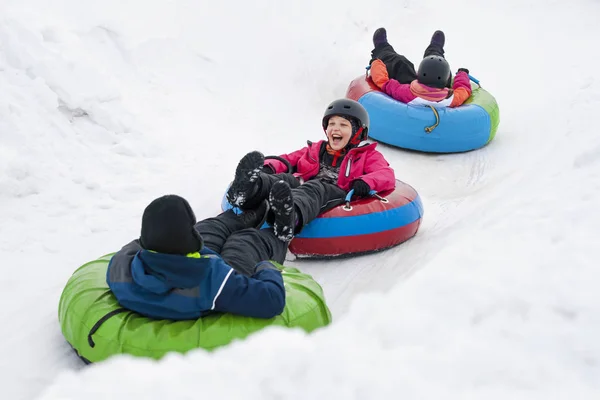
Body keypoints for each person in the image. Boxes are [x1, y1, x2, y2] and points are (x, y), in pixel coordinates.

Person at [226, 98, 396, 242]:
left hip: (333, 192)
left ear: (358, 133)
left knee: (315, 187)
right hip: (302, 186)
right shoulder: (315, 150)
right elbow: (288, 159)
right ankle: (248, 190)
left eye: (343, 125)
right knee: (285, 179)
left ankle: (288, 218)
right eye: (332, 124)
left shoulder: (366, 155)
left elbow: (386, 174)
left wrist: (365, 182)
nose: (336, 129)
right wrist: (267, 167)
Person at [106, 194, 287, 321]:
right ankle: (279, 229)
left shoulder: (120, 266)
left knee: (207, 228)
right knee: (245, 242)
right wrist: (265, 267)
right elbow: (272, 299)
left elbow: (142, 243)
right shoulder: (211, 282)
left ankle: (243, 214)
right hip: (213, 273)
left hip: (179, 261)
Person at [368, 28, 472, 108]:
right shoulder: (451, 99)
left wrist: (376, 63)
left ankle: (382, 47)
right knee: (438, 61)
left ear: (419, 76)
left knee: (401, 62)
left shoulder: (406, 93)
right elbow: (464, 90)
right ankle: (436, 47)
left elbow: (384, 82)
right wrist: (462, 74)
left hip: (412, 90)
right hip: (439, 94)